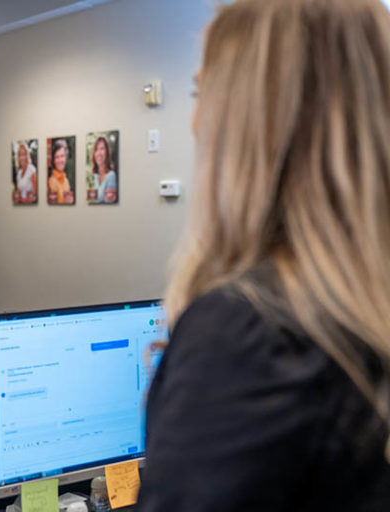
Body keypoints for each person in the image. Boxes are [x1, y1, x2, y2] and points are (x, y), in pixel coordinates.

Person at [139, 0, 390, 509]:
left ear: (252, 123)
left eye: (201, 93)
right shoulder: (366, 309)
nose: (192, 121)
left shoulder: (249, 331)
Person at [88, 136, 116, 203]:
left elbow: (109, 205)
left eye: (102, 149)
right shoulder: (95, 176)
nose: (99, 153)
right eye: (96, 150)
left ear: (107, 152)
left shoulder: (111, 176)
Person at [47, 139, 73, 204]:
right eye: (57, 157)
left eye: (62, 156)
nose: (60, 160)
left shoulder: (66, 181)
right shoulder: (51, 182)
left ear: (65, 158)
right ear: (53, 160)